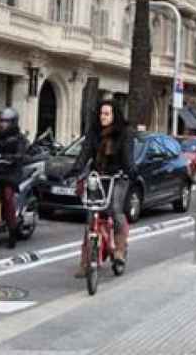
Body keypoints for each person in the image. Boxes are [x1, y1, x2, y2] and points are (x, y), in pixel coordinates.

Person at [73, 100, 135, 277]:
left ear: (114, 115)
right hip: (98, 176)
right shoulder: (93, 132)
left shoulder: (124, 133)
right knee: (91, 214)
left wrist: (130, 172)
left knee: (115, 209)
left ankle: (120, 251)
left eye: (107, 114)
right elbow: (84, 153)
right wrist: (75, 170)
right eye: (101, 113)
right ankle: (86, 262)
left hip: (118, 176)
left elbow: (127, 157)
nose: (103, 117)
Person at [0, 107, 29, 249]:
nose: (2, 124)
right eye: (1, 121)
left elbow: (21, 154)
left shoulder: (19, 138)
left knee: (7, 196)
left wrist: (11, 158)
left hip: (11, 172)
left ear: (13, 123)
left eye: (6, 122)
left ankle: (12, 231)